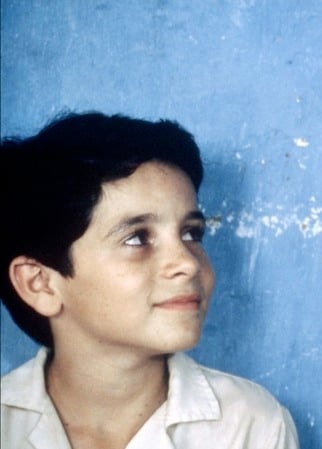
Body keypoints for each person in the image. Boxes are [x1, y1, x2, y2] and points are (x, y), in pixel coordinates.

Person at [0, 112, 299, 449]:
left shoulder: (249, 424)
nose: (187, 263)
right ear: (39, 283)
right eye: (138, 239)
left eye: (191, 233)